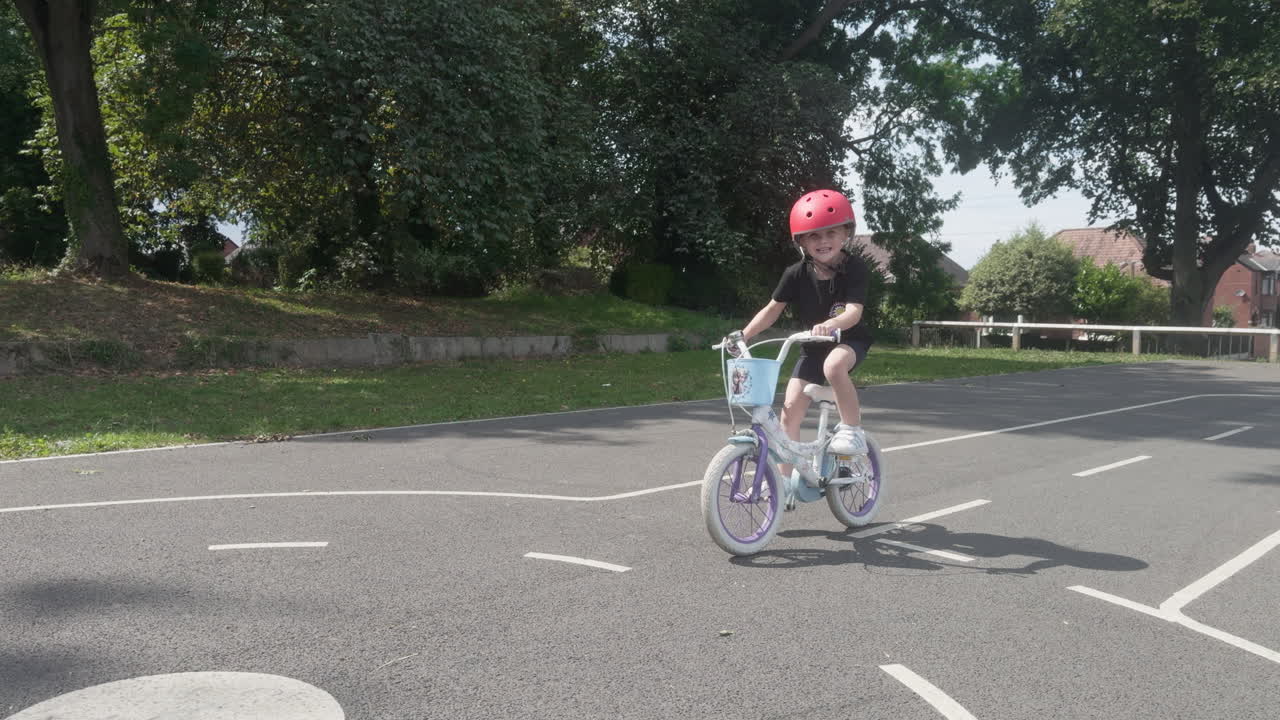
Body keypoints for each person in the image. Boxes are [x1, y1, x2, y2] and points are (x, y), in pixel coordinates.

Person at [732, 188, 872, 461]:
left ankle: (852, 430)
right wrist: (744, 335)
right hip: (812, 347)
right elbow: (773, 309)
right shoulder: (795, 274)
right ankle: (786, 484)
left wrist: (832, 324)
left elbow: (854, 312)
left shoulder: (855, 268)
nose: (823, 241)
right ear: (802, 242)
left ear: (846, 234)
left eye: (831, 233)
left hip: (848, 342)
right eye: (814, 235)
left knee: (833, 365)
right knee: (789, 414)